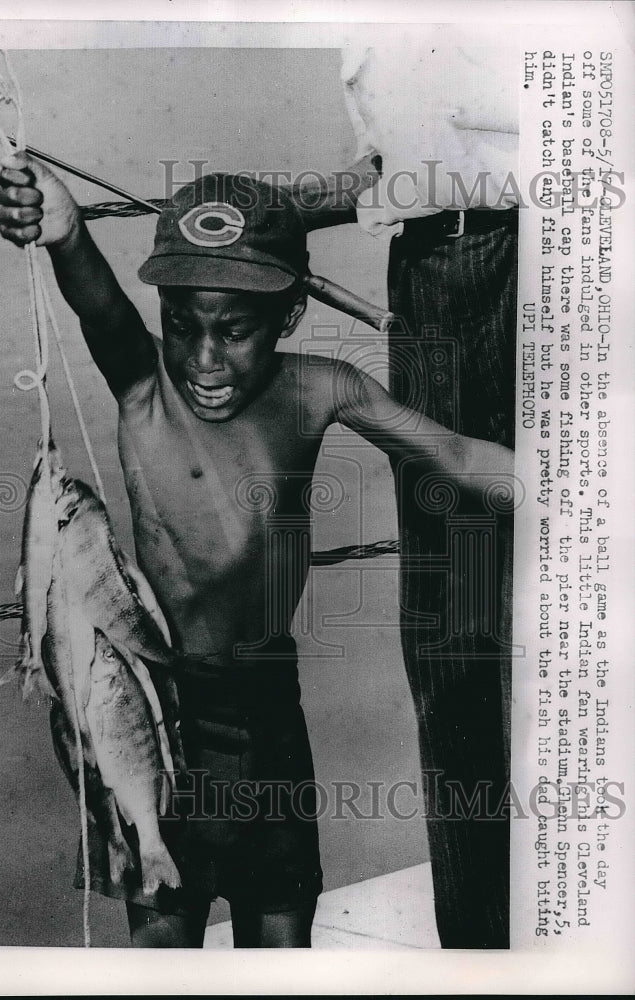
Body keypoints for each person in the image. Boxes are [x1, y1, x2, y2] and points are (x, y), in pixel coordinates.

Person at [0, 155, 514, 948]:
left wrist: (583, 483)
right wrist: (66, 233)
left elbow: (458, 456)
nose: (204, 359)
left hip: (270, 708)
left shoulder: (322, 388)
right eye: (180, 323)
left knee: (279, 933)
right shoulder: (145, 389)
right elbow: (100, 310)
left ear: (288, 316)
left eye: (234, 331)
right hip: (155, 701)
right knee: (160, 935)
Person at [290, 33, 519, 949]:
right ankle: (481, 946)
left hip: (545, 258)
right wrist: (266, 206)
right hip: (444, 263)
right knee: (455, 629)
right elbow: (409, 155)